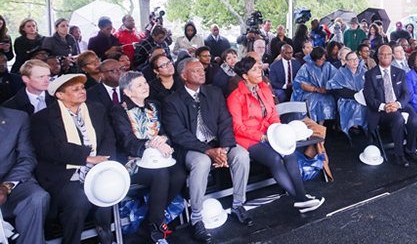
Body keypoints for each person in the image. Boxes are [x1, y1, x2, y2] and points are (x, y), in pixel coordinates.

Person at [161, 58, 252, 241]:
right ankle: (196, 217)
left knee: (241, 154)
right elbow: (178, 134)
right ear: (184, 76)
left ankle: (238, 204)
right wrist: (208, 151)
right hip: (191, 148)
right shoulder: (172, 101)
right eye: (195, 71)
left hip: (217, 144)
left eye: (201, 69)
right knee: (202, 162)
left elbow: (225, 121)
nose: (202, 72)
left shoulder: (214, 92)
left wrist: (224, 149)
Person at [227, 57, 325, 214]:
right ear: (245, 75)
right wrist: (262, 137)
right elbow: (237, 128)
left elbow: (272, 113)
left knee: (289, 153)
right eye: (254, 69)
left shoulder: (264, 89)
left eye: (259, 68)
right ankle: (300, 199)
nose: (260, 71)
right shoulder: (235, 97)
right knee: (274, 158)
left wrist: (277, 129)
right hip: (248, 138)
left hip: (269, 131)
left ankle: (301, 197)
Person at [30, 74, 116, 244]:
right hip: (64, 173)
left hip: (98, 168)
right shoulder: (42, 118)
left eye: (82, 87)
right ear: (60, 95)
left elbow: (108, 138)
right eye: (75, 89)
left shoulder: (96, 109)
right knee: (78, 202)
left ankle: (105, 232)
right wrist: (87, 158)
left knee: (106, 191)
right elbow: (49, 148)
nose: (82, 91)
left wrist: (103, 160)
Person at [111, 71, 187, 243]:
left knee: (179, 175)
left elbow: (165, 132)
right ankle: (156, 225)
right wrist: (150, 143)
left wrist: (163, 139)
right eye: (139, 85)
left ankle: (147, 223)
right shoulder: (119, 110)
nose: (145, 87)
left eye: (145, 82)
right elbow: (126, 140)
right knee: (160, 174)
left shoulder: (154, 105)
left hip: (161, 157)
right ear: (127, 92)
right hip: (134, 160)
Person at [363, 45, 417, 167]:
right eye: (382, 54)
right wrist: (385, 106)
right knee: (398, 119)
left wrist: (398, 104)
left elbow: (406, 93)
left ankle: (410, 150)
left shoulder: (399, 72)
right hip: (382, 110)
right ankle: (399, 155)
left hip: (398, 104)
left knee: (415, 120)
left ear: (392, 56)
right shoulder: (370, 75)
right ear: (378, 56)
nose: (385, 56)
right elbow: (369, 98)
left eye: (388, 54)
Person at [0, 104, 50, 244]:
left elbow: (27, 158)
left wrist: (6, 187)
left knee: (37, 198)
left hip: (9, 181)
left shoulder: (18, 118)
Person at [326, 51, 368, 139]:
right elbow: (338, 88)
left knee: (367, 106)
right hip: (347, 100)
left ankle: (367, 132)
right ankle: (352, 127)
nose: (354, 62)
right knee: (355, 106)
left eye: (356, 59)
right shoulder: (341, 72)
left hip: (364, 98)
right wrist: (355, 95)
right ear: (347, 61)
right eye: (351, 60)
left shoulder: (364, 71)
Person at [292, 47, 337, 125]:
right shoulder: (305, 67)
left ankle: (321, 125)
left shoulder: (328, 66)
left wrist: (327, 88)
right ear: (314, 59)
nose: (322, 62)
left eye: (323, 59)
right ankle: (313, 125)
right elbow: (302, 84)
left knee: (327, 101)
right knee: (312, 103)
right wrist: (316, 89)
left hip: (325, 92)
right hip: (309, 93)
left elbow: (336, 78)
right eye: (320, 60)